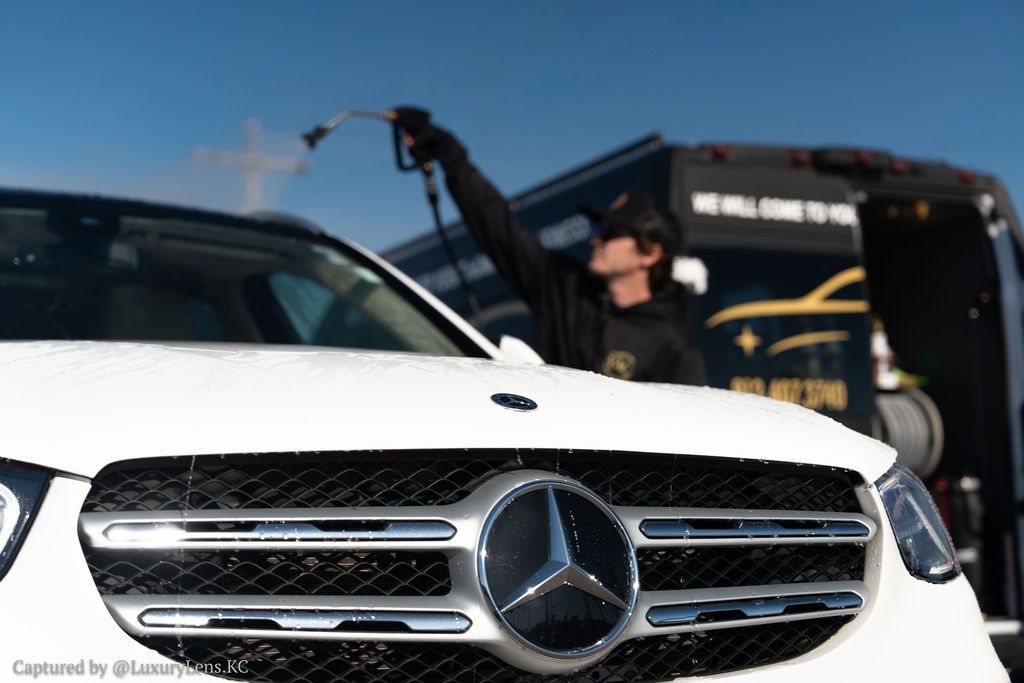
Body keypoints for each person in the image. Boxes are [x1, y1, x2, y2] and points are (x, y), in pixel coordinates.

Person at [396, 107, 706, 385]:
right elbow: (499, 228)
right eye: (599, 228)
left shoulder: (674, 350)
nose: (595, 238)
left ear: (650, 254)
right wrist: (450, 155)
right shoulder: (565, 288)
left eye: (612, 231)